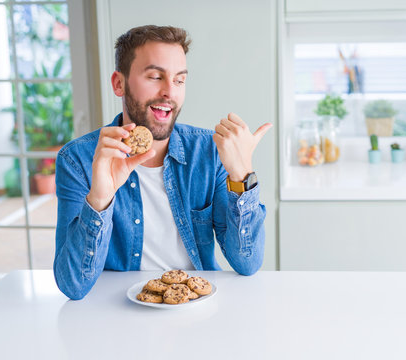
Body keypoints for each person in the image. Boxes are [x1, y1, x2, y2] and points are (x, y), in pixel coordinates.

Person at [53, 25, 271, 300]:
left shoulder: (209, 151)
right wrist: (99, 199)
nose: (170, 91)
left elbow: (247, 264)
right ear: (119, 83)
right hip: (115, 313)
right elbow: (72, 286)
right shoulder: (78, 160)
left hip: (196, 307)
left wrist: (242, 176)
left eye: (179, 80)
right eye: (156, 77)